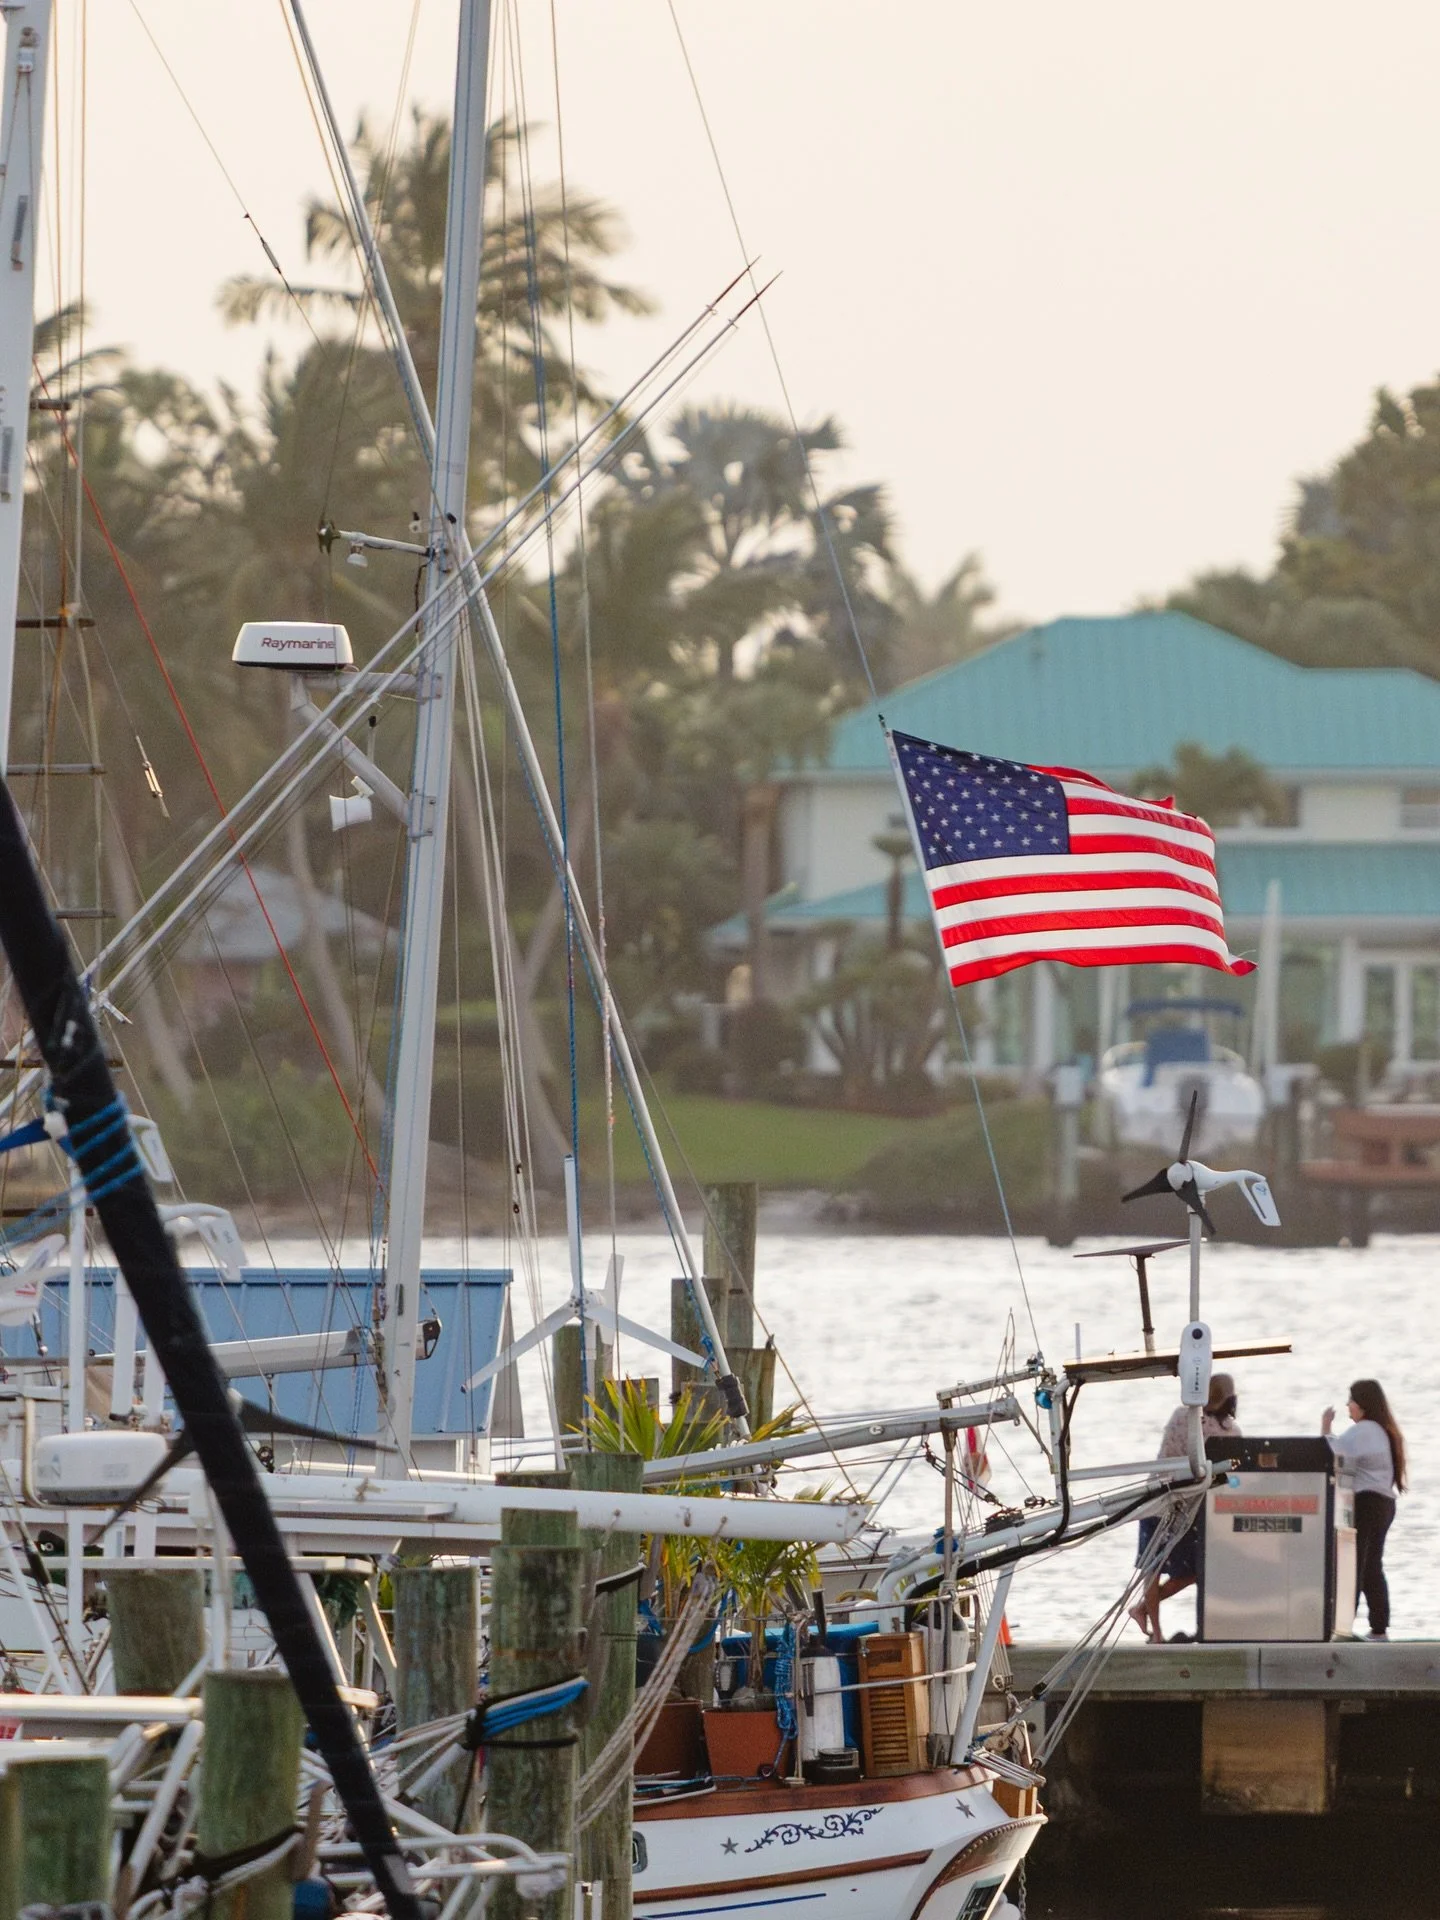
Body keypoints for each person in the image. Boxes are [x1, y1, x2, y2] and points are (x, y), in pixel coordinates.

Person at [1129, 1373, 1240, 1643]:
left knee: (1154, 1567)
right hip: (1184, 1507)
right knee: (1193, 1570)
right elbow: (1232, 1474)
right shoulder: (1230, 1433)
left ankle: (1150, 1622)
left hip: (1158, 1498)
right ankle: (1151, 1624)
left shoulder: (1182, 1416)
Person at [1323, 1379, 1405, 1641]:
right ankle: (1379, 1628)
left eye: (1351, 1400)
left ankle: (1343, 1626)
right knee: (1371, 1566)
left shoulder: (1365, 1430)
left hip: (1368, 1503)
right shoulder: (1381, 1431)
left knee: (1354, 1565)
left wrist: (1325, 1427)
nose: (1348, 1405)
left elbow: (1332, 1453)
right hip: (1384, 1504)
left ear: (1363, 1404)